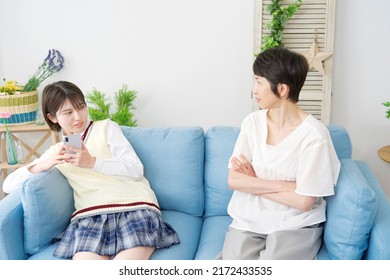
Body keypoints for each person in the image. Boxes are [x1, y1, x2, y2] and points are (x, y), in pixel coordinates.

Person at [3, 81, 180, 260]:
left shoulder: (106, 128)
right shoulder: (57, 151)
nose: (78, 117)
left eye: (81, 107)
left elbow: (136, 169)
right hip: (91, 217)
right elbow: (8, 185)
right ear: (52, 117)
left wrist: (93, 162)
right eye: (68, 112)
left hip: (134, 207)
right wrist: (43, 165)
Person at [219, 47, 340, 260]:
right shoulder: (252, 123)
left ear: (282, 89)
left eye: (259, 82)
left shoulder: (314, 136)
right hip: (249, 219)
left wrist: (254, 183)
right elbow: (235, 180)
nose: (254, 89)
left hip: (296, 224)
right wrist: (285, 186)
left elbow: (304, 202)